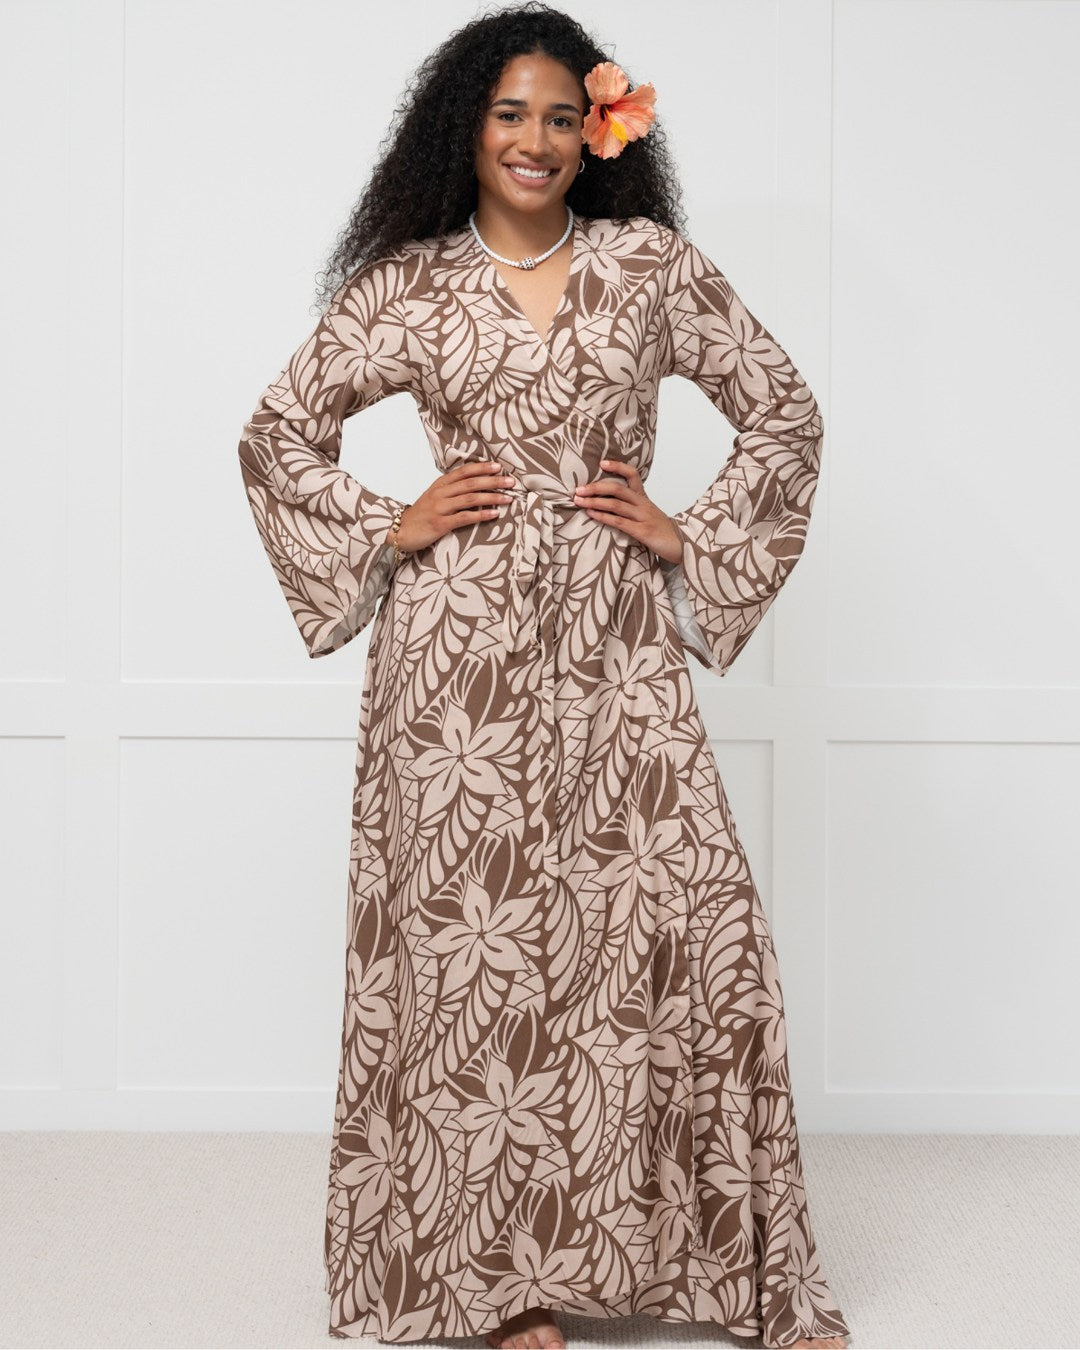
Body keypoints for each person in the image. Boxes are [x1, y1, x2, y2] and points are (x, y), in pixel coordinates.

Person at [237, 5, 851, 1349]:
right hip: (451, 667)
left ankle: (747, 1278)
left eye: (563, 116)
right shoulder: (405, 286)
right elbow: (280, 432)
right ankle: (496, 1289)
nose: (536, 139)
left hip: (616, 643)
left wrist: (688, 533)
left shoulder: (651, 268)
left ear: (601, 132)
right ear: (465, 127)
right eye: (511, 113)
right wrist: (391, 521)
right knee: (481, 964)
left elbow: (783, 408)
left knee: (700, 934)